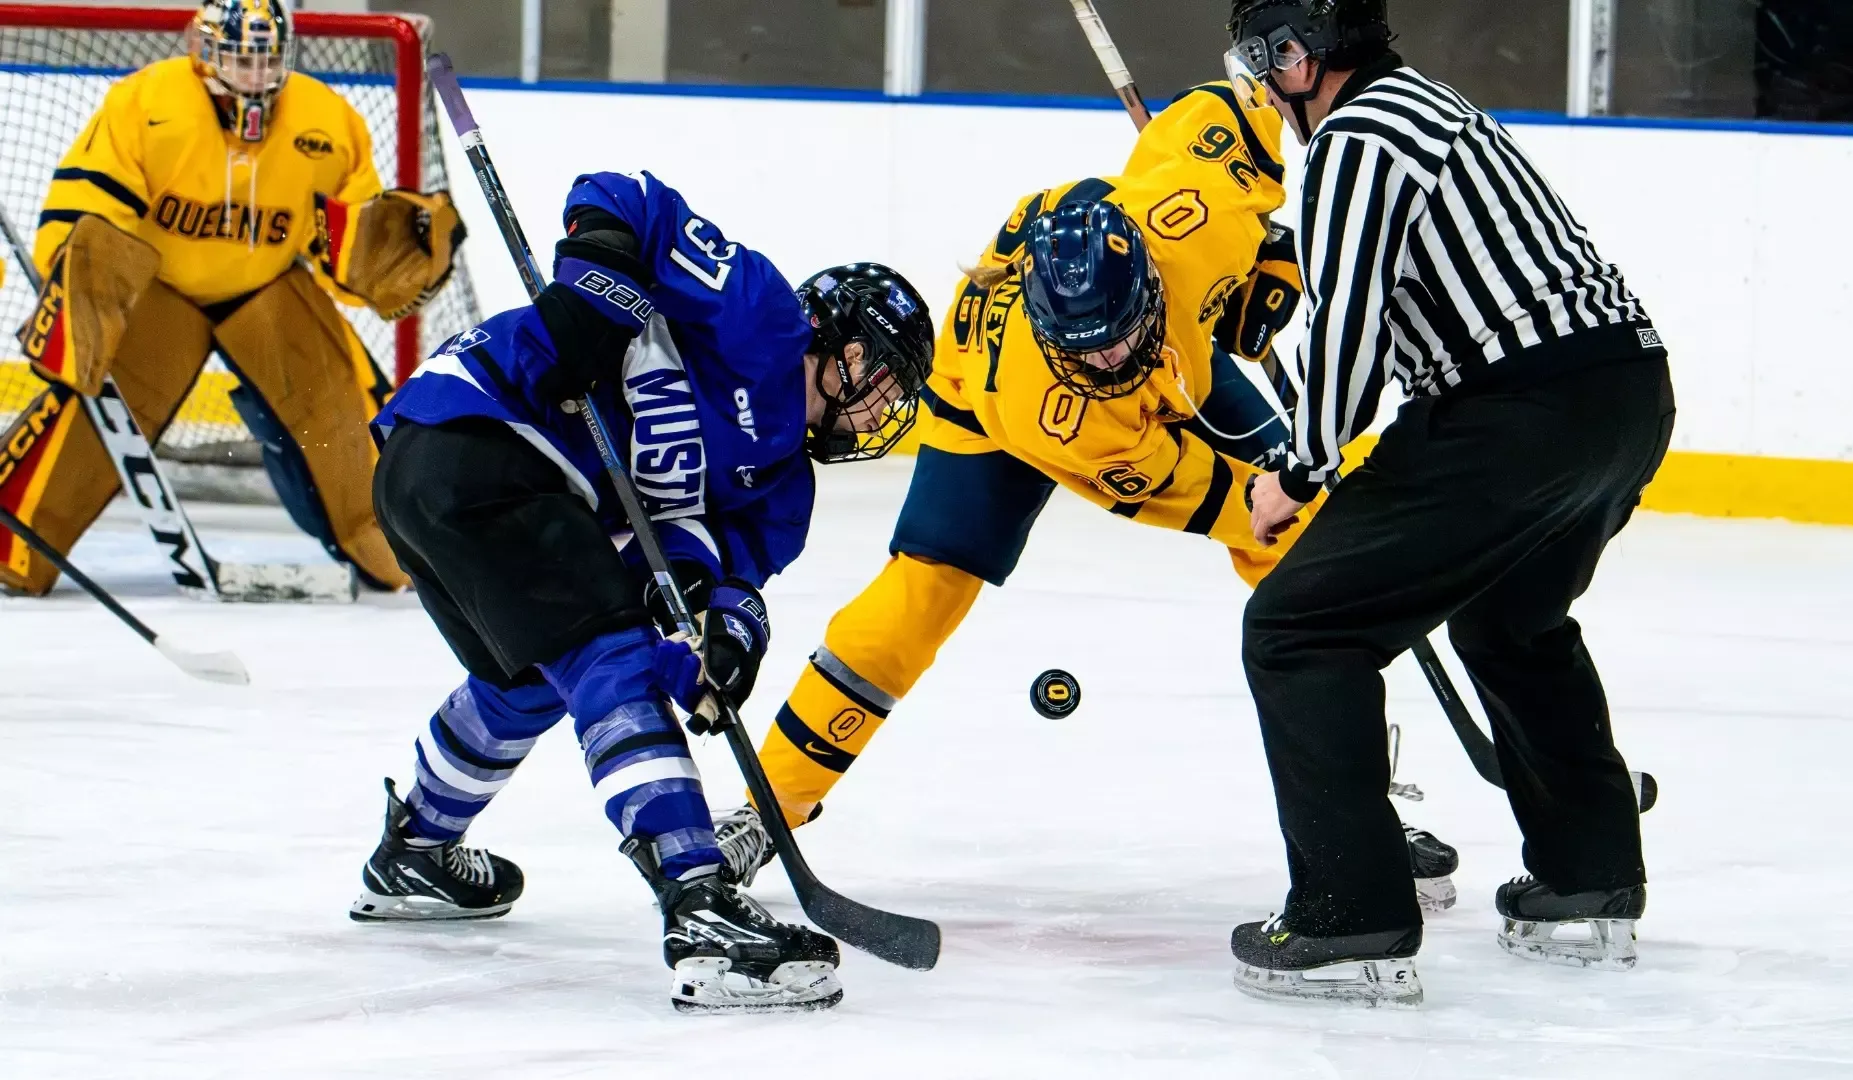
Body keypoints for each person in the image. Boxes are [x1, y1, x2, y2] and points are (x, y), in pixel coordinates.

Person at [713, 77, 1462, 914]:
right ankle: (763, 810)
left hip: (1180, 357)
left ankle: (1363, 816)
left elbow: (1232, 110)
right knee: (921, 598)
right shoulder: (1063, 414)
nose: (1108, 361)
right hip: (992, 412)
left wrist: (1262, 253)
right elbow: (1227, 500)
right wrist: (1279, 491)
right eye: (1088, 352)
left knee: (1304, 539)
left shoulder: (1194, 217)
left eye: (1118, 339)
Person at [343, 168, 935, 1014]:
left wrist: (725, 641)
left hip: (458, 485)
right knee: (603, 657)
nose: (885, 408)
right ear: (843, 347)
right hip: (482, 430)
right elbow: (622, 197)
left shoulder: (784, 492)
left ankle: (416, 850)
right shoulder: (760, 311)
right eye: (885, 379)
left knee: (525, 682)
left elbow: (729, 582)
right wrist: (593, 290)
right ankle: (699, 907)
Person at [1225, 0, 1676, 1007]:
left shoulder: (1352, 140)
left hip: (1511, 412)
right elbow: (1386, 288)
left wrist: (1296, 471)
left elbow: (1351, 331)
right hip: (1625, 393)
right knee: (1513, 618)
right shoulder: (1433, 108)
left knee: (1299, 629)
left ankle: (1351, 915)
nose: (1262, 81)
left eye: (1264, 59)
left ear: (1295, 55)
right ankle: (1585, 876)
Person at [0, 0, 464, 593]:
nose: (254, 75)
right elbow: (91, 205)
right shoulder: (148, 102)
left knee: (339, 416)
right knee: (90, 416)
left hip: (267, 287)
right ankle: (13, 543)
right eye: (240, 59)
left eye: (266, 59)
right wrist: (79, 284)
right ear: (205, 51)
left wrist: (393, 254)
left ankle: (402, 554)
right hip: (159, 292)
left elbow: (344, 242)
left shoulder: (326, 120)